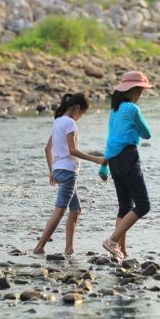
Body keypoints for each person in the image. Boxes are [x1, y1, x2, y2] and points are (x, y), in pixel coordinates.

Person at [33, 93, 104, 255]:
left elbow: (47, 149)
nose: (81, 117)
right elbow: (72, 150)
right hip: (68, 172)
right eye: (83, 113)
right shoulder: (70, 123)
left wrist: (52, 171)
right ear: (77, 108)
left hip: (58, 170)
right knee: (59, 210)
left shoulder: (58, 122)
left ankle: (69, 249)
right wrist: (96, 159)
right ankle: (39, 246)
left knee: (75, 210)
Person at [101, 71, 153, 258]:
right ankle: (112, 241)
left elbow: (110, 138)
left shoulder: (114, 111)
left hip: (114, 160)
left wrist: (104, 165)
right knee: (143, 205)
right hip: (128, 158)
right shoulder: (132, 109)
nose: (141, 95)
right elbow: (147, 134)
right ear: (132, 91)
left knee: (125, 207)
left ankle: (120, 250)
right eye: (140, 91)